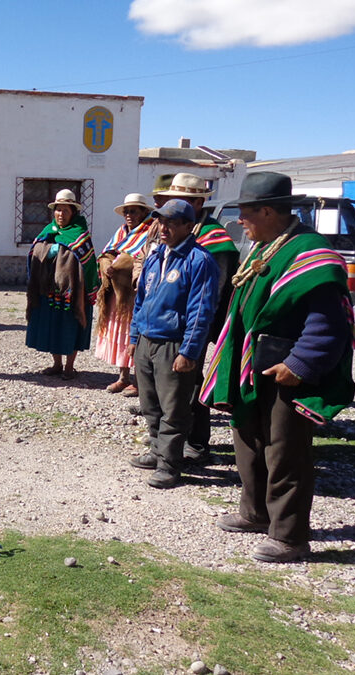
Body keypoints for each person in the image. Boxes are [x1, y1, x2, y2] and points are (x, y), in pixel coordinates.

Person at [202, 172, 354, 563]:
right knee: (248, 438)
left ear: (268, 211)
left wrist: (299, 365)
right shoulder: (264, 247)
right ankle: (255, 513)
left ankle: (289, 536)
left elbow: (329, 322)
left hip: (284, 371)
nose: (239, 221)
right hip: (252, 365)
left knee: (285, 452)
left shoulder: (310, 253)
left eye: (246, 213)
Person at [127, 199, 219, 489]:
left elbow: (201, 311)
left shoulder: (199, 260)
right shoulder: (155, 257)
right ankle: (156, 452)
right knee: (150, 404)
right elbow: (140, 300)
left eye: (171, 222)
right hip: (147, 340)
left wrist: (189, 351)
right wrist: (133, 338)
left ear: (188, 226)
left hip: (173, 344)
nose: (163, 228)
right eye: (160, 221)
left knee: (174, 408)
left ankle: (170, 465)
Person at [158, 173, 240, 462]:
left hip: (194, 327)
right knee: (168, 384)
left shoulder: (216, 242)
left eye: (176, 202)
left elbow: (213, 297)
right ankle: (168, 440)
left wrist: (196, 337)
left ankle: (196, 441)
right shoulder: (180, 235)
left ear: (195, 203)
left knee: (191, 381)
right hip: (170, 324)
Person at [25, 189, 97, 379]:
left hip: (72, 293)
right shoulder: (48, 231)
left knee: (70, 327)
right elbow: (35, 250)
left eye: (65, 210)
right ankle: (56, 364)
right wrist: (47, 250)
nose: (60, 214)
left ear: (73, 212)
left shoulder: (80, 234)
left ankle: (69, 366)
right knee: (52, 326)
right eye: (58, 210)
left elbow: (88, 263)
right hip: (48, 289)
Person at [95, 193, 154, 396]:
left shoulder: (149, 231)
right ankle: (123, 376)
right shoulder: (121, 232)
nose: (129, 215)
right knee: (119, 333)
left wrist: (120, 265)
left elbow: (142, 257)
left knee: (134, 334)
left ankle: (139, 380)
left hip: (134, 292)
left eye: (133, 211)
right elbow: (107, 252)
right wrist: (107, 264)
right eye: (126, 212)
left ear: (144, 212)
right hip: (117, 294)